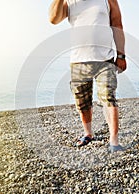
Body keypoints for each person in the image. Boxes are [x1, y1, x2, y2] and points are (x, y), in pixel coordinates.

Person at [49, 0, 127, 152]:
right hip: (78, 60)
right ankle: (88, 133)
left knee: (108, 97)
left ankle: (114, 141)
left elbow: (117, 24)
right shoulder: (69, 2)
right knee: (82, 102)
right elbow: (54, 19)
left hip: (105, 59)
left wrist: (121, 55)